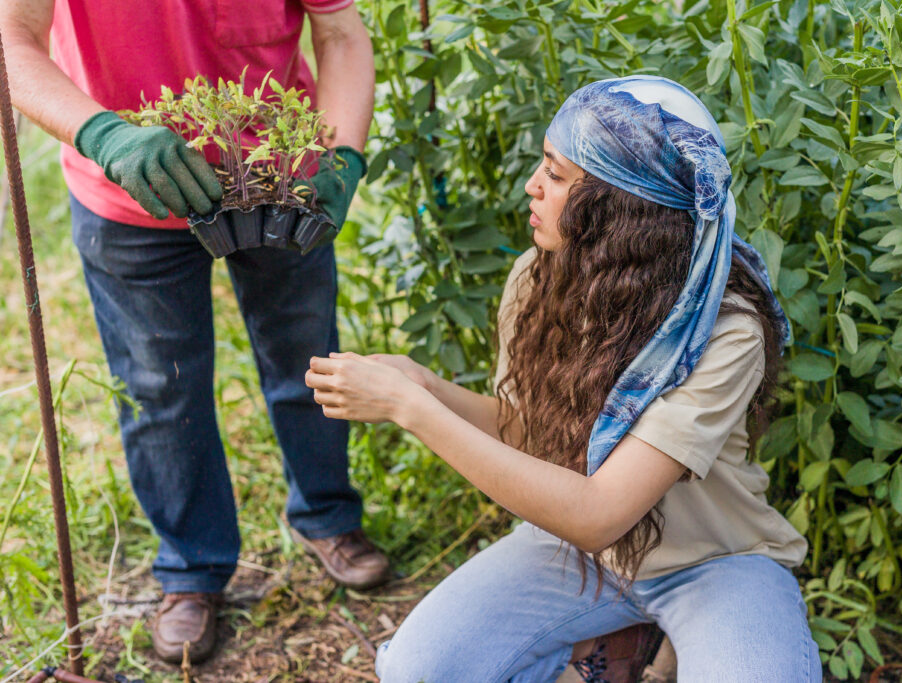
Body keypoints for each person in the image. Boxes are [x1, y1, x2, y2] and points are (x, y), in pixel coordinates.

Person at [306, 76, 823, 682]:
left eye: (554, 175)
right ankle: (619, 645)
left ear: (620, 207)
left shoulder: (725, 330)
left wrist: (412, 411)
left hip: (713, 562)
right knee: (418, 672)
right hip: (581, 557)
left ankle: (650, 647)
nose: (531, 185)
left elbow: (600, 512)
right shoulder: (537, 277)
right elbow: (526, 433)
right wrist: (423, 384)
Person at [0, 0, 388, 664]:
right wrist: (104, 135)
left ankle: (328, 516)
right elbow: (14, 41)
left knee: (305, 354)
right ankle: (190, 568)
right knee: (161, 387)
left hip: (278, 178)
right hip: (128, 193)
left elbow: (341, 32)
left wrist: (342, 156)